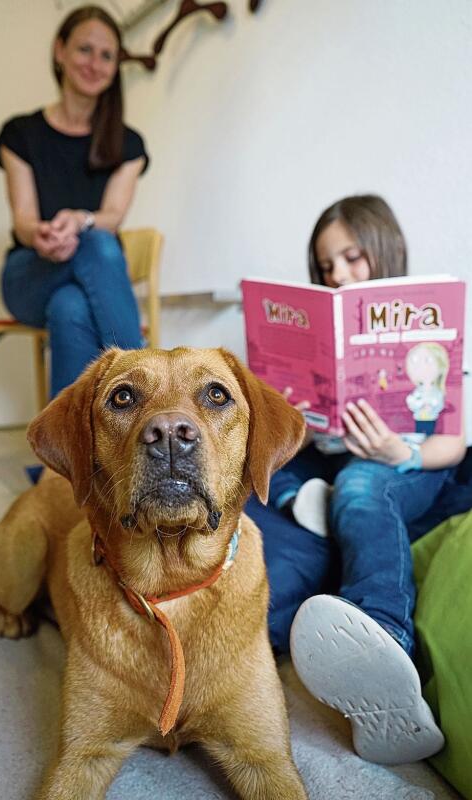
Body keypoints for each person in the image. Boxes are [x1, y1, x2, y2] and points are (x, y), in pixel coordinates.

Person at [246, 194, 467, 765]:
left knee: (363, 487)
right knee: (265, 461)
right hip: (332, 457)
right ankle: (305, 500)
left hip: (406, 462)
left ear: (385, 251)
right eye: (326, 267)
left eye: (352, 258)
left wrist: (400, 452)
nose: (339, 274)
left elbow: (452, 442)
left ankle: (385, 636)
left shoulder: (435, 327)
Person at [0, 5, 148, 399]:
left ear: (115, 68)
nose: (95, 64)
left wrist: (81, 220)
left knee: (71, 306)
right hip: (31, 273)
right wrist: (42, 234)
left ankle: (65, 459)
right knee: (96, 245)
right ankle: (149, 387)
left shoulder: (128, 145)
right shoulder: (20, 135)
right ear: (60, 51)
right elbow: (24, 221)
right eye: (84, 50)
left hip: (89, 270)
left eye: (107, 55)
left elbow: (110, 217)